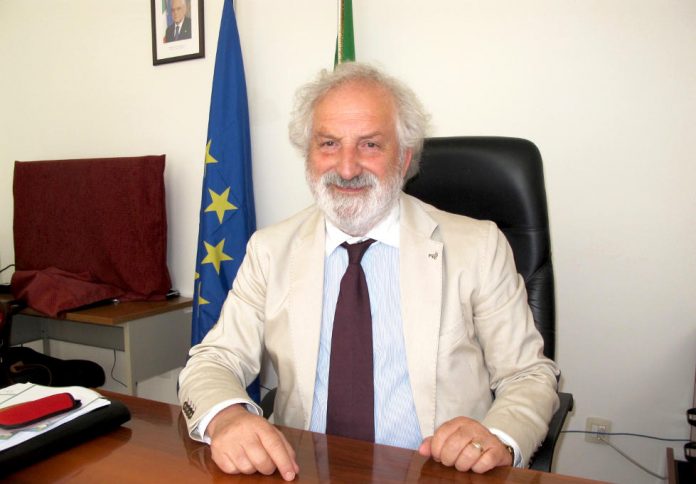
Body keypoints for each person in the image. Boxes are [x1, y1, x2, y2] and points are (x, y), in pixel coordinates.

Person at [178, 62, 560, 481]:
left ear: (405, 158)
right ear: (308, 155)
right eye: (328, 143)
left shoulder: (478, 246)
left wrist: (498, 436)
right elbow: (214, 359)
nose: (346, 168)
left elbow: (528, 374)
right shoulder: (270, 250)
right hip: (301, 470)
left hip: (438, 473)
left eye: (370, 145)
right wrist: (228, 417)